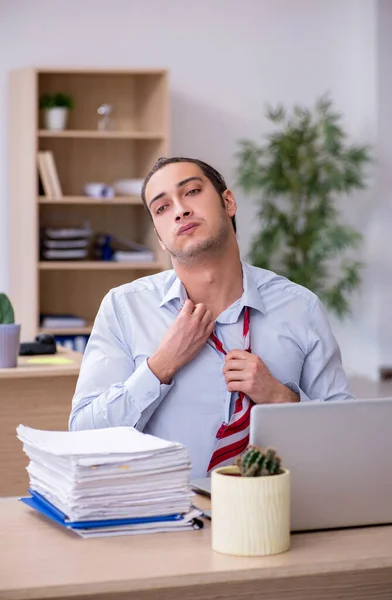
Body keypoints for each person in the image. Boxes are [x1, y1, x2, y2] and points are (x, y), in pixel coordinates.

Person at [69, 156, 354, 477]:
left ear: (228, 202)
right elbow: (83, 435)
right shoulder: (124, 308)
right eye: (162, 208)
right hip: (164, 514)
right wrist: (160, 366)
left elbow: (344, 431)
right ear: (160, 238)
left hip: (276, 511)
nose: (180, 210)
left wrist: (280, 397)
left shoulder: (300, 307)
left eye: (191, 192)